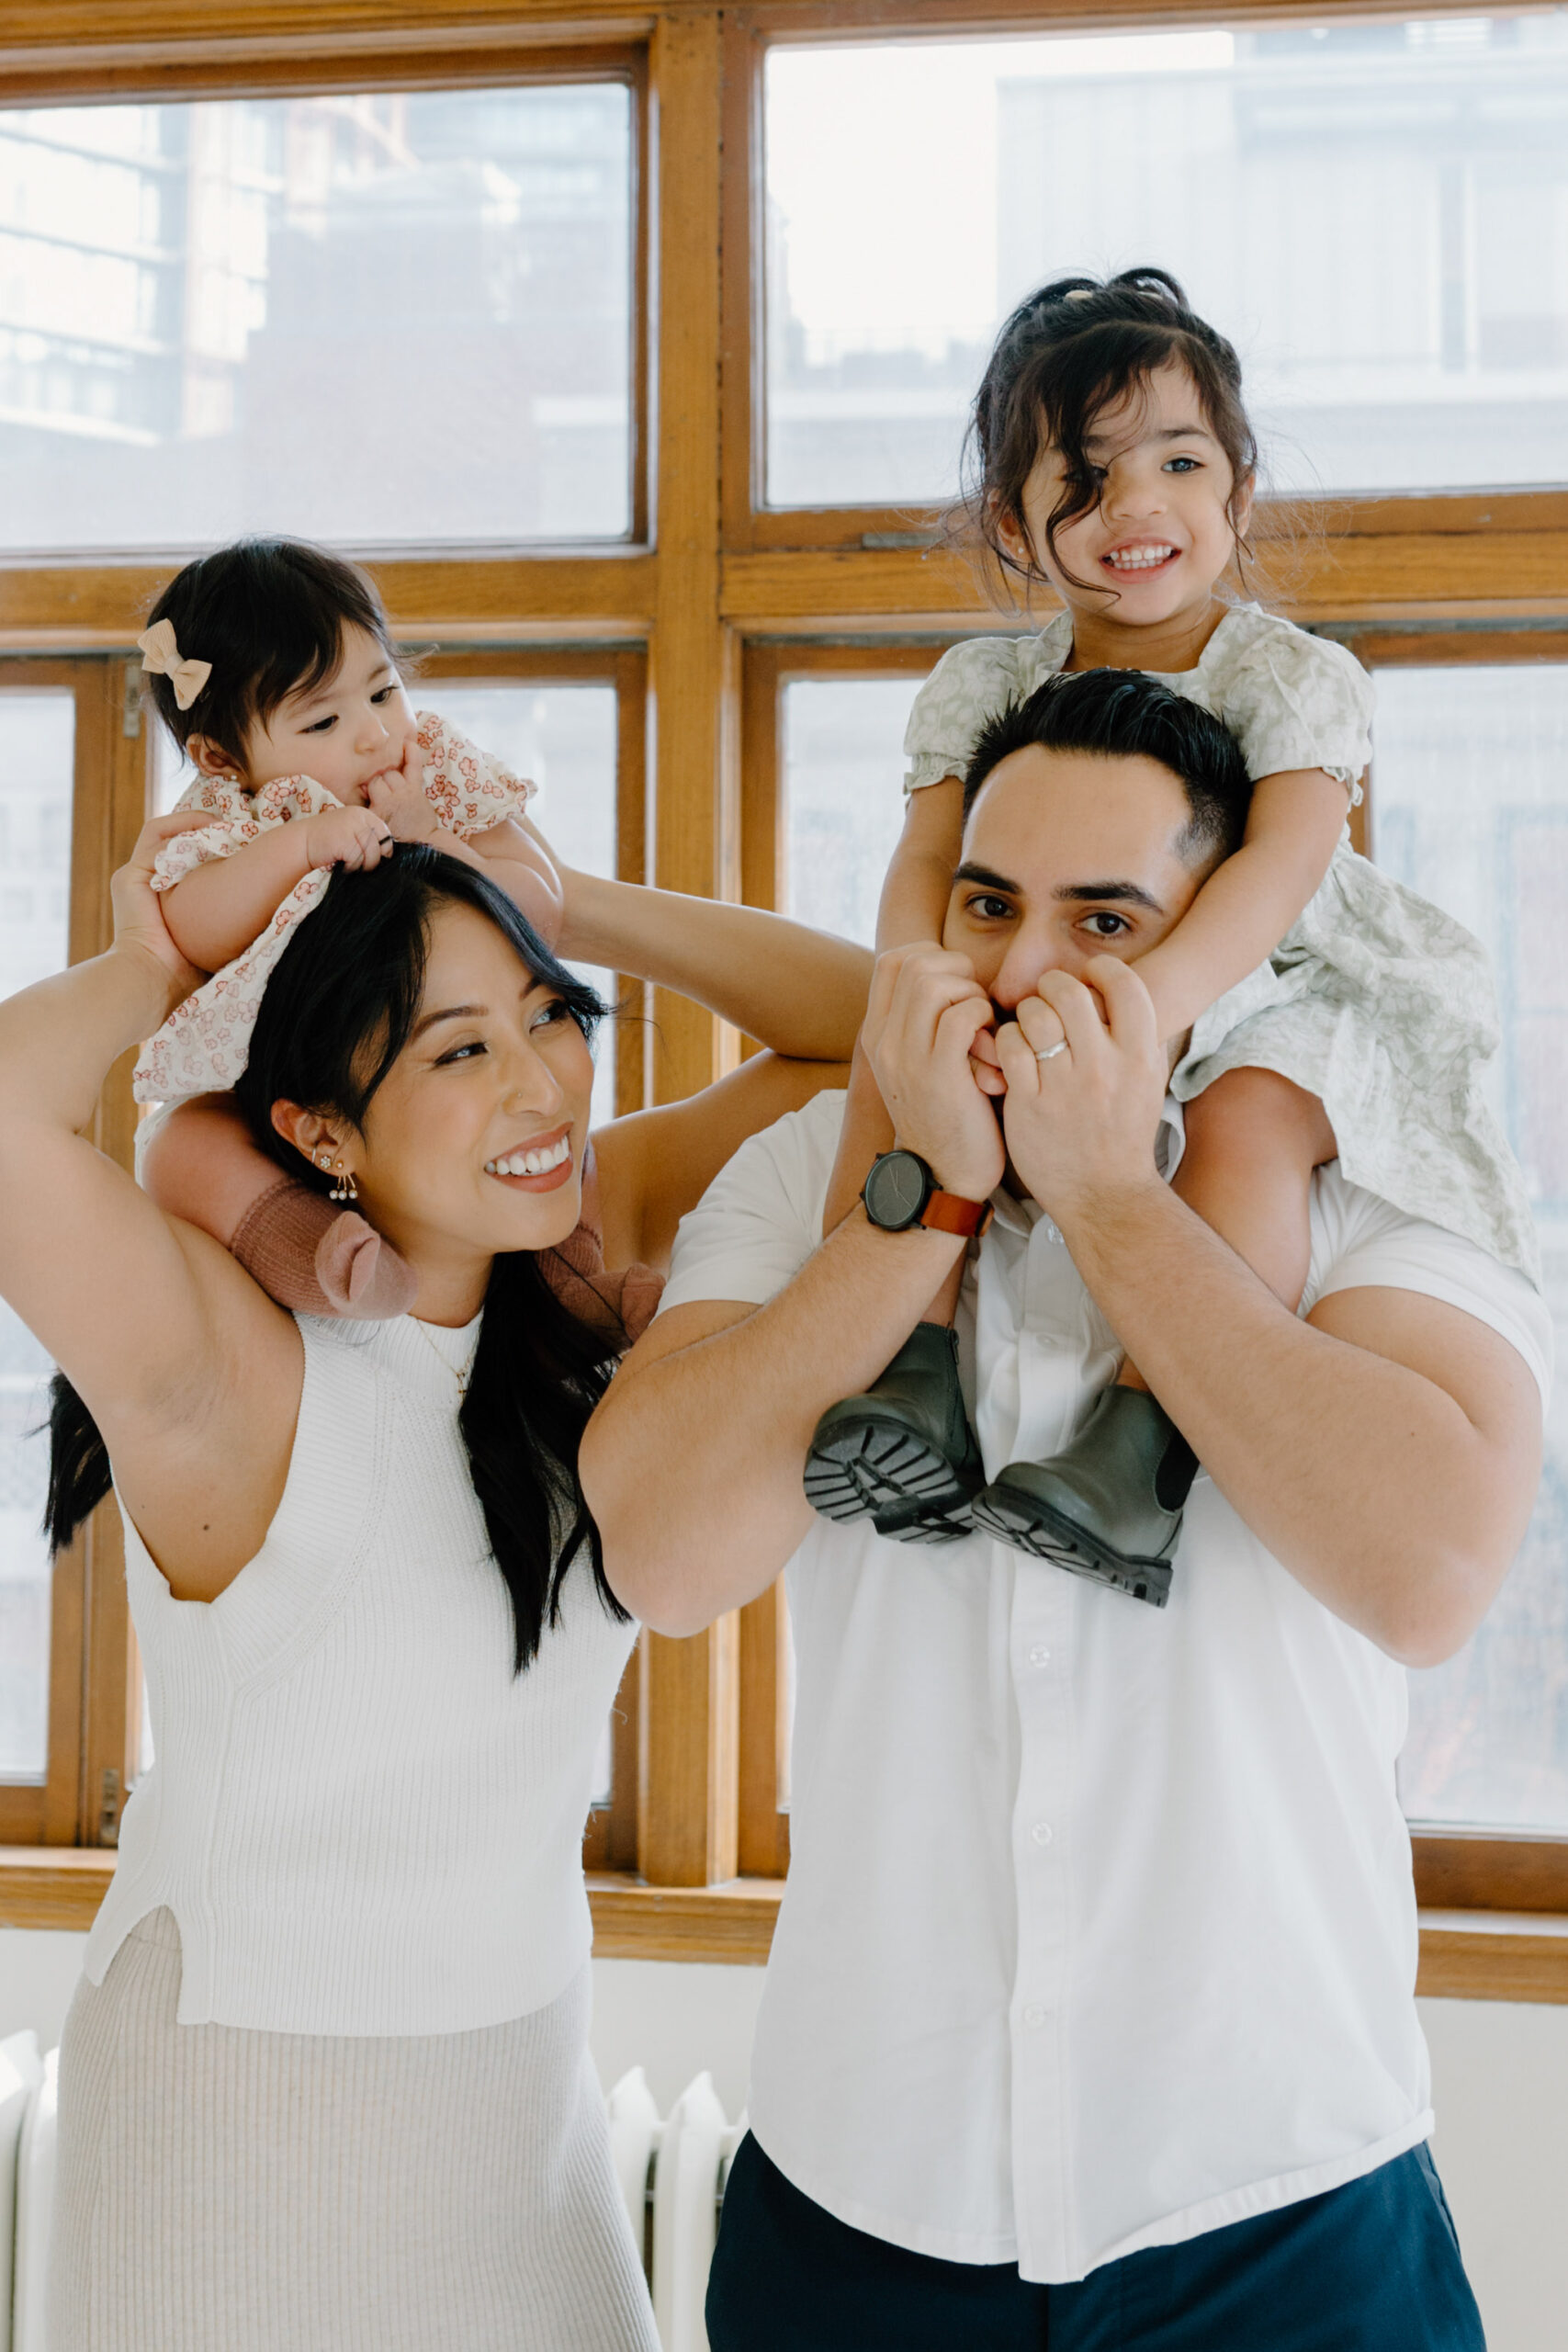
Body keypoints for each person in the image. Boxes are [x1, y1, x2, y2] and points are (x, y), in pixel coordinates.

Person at [581, 668, 1548, 2349]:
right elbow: (666, 1559)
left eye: (1104, 919)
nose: (1022, 972)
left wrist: (1109, 1197)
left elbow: (1424, 1575)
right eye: (986, 904)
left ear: (1213, 939)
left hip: (1281, 2205)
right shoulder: (815, 1168)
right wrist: (918, 1211)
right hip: (856, 2203)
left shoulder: (1362, 1177)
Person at [0, 807, 868, 2350]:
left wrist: (567, 901)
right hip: (226, 2130)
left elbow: (866, 1050)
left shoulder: (581, 1266)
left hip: (521, 2123)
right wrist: (166, 949)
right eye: (458, 1052)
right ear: (322, 1132)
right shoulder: (229, 1359)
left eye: (548, 1015)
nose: (538, 1082)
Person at [806, 268, 1536, 1597]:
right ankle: (905, 1365)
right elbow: (924, 862)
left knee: (1249, 1111)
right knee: (893, 1054)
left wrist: (1127, 1024)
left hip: (1284, 974)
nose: (1132, 508)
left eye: (1177, 462)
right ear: (1010, 523)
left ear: (1236, 493)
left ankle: (1140, 1441)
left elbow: (1272, 880)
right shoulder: (983, 685)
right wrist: (929, 993)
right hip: (1063, 961)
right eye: (1079, 479)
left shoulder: (1288, 677)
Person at [134, 535, 567, 1320]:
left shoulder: (433, 772)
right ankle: (325, 1257)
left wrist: (429, 835)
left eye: (382, 691)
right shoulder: (234, 818)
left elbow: (540, 906)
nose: (372, 734)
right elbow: (192, 927)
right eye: (322, 722)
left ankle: (582, 1286)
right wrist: (294, 847)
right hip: (268, 1095)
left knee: (550, 1116)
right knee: (179, 1150)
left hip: (417, 1090)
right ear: (222, 756)